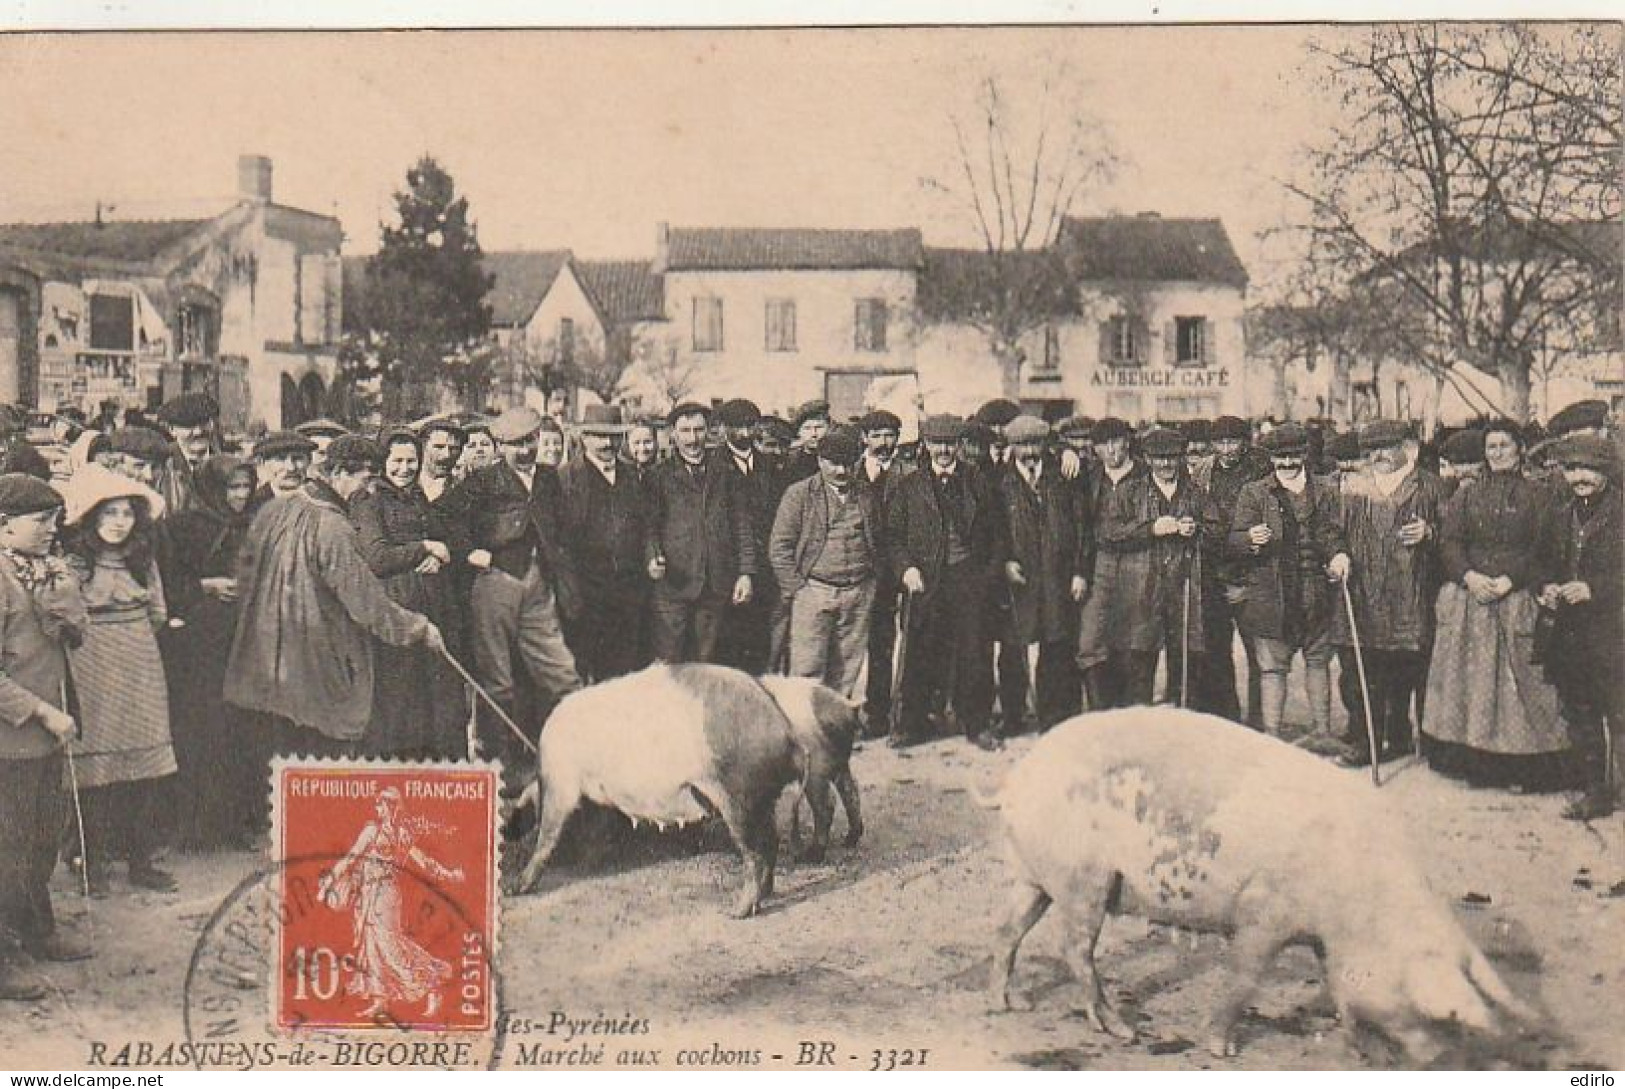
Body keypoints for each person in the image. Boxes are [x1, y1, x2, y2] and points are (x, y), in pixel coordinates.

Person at [226, 435, 445, 825]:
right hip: (320, 651)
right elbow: (365, 602)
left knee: (297, 746)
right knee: (330, 746)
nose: (369, 489)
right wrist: (417, 628)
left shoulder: (290, 507)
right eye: (365, 478)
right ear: (340, 474)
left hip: (281, 647)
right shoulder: (332, 527)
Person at [1423, 420, 1567, 785]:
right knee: (1472, 684)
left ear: (1519, 449)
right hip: (1472, 600)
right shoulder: (1467, 495)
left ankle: (1524, 765)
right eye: (1491, 447)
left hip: (1516, 598)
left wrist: (1509, 580)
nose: (1498, 452)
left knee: (1521, 684)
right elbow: (1450, 543)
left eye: (1504, 445)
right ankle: (1476, 762)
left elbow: (1545, 550)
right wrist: (1469, 577)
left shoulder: (1540, 495)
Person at [59, 465, 176, 894]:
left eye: (126, 513)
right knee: (95, 768)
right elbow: (62, 617)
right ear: (91, 518)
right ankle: (89, 860)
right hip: (89, 661)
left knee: (144, 764)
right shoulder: (73, 563)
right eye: (109, 514)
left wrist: (134, 636)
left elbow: (158, 612)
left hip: (140, 660)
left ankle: (140, 860)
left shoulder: (143, 561)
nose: (118, 522)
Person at [441, 407, 581, 763]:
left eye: (530, 441)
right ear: (500, 446)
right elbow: (443, 516)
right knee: (496, 678)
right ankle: (496, 761)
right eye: (515, 444)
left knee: (561, 671)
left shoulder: (549, 478)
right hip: (495, 583)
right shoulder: (483, 481)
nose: (525, 450)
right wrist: (469, 552)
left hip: (539, 583)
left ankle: (568, 752)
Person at [0, 474, 91, 999]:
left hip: (44, 736)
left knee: (39, 840)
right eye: (41, 520)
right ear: (5, 525)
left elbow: (68, 639)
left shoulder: (42, 569)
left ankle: (38, 929)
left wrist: (64, 607)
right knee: (6, 848)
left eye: (55, 519)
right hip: (11, 740)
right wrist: (41, 711)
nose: (52, 529)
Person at [1330, 420, 1449, 765]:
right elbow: (1331, 532)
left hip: (1411, 596)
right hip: (1362, 593)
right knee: (1360, 675)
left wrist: (1431, 533)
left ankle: (1401, 736)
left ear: (1406, 448)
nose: (1378, 456)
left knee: (1406, 672)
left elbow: (1455, 539)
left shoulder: (1431, 488)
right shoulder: (1352, 486)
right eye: (1371, 450)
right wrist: (1337, 553)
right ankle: (1366, 743)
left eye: (1386, 447)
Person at [887, 414, 1009, 751]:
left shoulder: (978, 483)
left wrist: (987, 576)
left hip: (969, 579)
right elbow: (893, 538)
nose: (944, 450)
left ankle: (977, 723)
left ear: (960, 446)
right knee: (920, 651)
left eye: (950, 444)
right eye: (937, 443)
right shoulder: (909, 487)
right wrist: (906, 569)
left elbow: (998, 536)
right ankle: (912, 724)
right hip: (926, 581)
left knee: (975, 652)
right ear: (926, 445)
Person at [161, 455, 260, 849]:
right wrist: (207, 585)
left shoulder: (252, 524)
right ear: (211, 490)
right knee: (203, 731)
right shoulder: (182, 527)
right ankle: (195, 828)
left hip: (242, 636)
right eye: (231, 488)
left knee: (239, 730)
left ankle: (232, 824)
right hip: (199, 644)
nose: (240, 495)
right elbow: (167, 585)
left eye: (244, 487)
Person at [350, 430, 467, 759]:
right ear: (383, 463)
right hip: (396, 608)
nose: (404, 468)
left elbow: (445, 541)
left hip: (434, 606)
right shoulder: (368, 500)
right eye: (397, 461)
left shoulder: (417, 497)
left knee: (440, 696)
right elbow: (377, 557)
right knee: (401, 697)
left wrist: (436, 554)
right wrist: (423, 549)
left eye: (411, 461)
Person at [1229, 424, 1350, 738]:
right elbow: (1235, 540)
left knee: (1318, 662)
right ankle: (1272, 735)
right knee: (1272, 668)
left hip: (1316, 591)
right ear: (1270, 458)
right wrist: (1250, 539)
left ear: (1304, 455)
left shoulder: (1326, 490)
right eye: (1280, 458)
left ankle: (1322, 732)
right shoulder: (1253, 492)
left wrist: (1338, 555)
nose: (1286, 464)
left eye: (1293, 456)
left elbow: (1334, 533)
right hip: (1271, 592)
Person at [1088, 427, 1209, 709]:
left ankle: (1181, 717)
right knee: (1139, 657)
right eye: (1159, 458)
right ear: (1148, 458)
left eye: (1172, 457)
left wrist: (1196, 529)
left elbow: (1215, 530)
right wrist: (1151, 528)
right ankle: (1138, 720)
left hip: (1184, 585)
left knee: (1185, 656)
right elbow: (1109, 532)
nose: (1166, 464)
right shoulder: (1131, 491)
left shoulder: (1194, 493)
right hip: (1142, 586)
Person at [318, 787, 463, 1021]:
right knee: (372, 947)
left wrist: (449, 875)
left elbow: (424, 862)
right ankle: (380, 1001)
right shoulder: (373, 831)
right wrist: (331, 881)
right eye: (377, 805)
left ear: (392, 807)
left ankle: (431, 984)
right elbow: (351, 858)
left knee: (390, 946)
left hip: (386, 895)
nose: (377, 809)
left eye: (381, 805)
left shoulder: (401, 834)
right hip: (368, 894)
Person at [1539, 434, 1624, 819]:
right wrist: (1546, 588)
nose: (1579, 477)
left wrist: (1593, 588)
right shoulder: (1558, 514)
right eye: (1571, 469)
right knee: (1581, 714)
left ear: (1607, 471)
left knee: (1619, 713)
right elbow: (1540, 563)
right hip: (1571, 636)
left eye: (1588, 468)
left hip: (1616, 633)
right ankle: (1595, 791)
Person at [642, 403, 757, 664]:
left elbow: (742, 526)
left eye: (698, 430)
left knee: (706, 663)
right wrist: (653, 557)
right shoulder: (657, 477)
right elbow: (649, 527)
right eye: (685, 431)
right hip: (673, 585)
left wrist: (746, 574)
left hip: (715, 585)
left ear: (709, 432)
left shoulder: (727, 474)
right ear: (673, 434)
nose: (692, 439)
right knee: (670, 664)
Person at [770, 426, 881, 697]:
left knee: (846, 671)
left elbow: (878, 541)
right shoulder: (799, 495)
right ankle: (804, 733)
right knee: (807, 670)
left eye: (848, 464)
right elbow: (779, 547)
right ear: (820, 461)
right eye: (834, 465)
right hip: (813, 591)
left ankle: (835, 733)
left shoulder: (865, 494)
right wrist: (799, 590)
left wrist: (870, 584)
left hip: (857, 592)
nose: (842, 472)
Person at [994, 416, 1087, 730]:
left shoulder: (1064, 478)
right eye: (1022, 445)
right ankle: (1012, 716)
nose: (1029, 452)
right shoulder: (1000, 482)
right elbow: (993, 531)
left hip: (1056, 577)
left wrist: (1079, 572)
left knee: (1056, 646)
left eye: (1035, 444)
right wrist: (1004, 562)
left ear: (1046, 445)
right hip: (1020, 578)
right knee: (1013, 649)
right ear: (1012, 447)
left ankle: (1053, 716)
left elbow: (1081, 528)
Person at [555, 405, 651, 683]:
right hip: (586, 595)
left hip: (627, 593)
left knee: (623, 671)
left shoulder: (632, 476)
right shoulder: (566, 479)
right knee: (584, 668)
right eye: (598, 436)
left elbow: (643, 528)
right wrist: (571, 591)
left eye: (613, 436)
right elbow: (560, 542)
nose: (607, 444)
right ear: (584, 437)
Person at [1198, 415, 1271, 724]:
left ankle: (1258, 721)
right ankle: (1224, 718)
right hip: (1214, 574)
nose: (1226, 449)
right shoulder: (1203, 472)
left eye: (1233, 442)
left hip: (1253, 575)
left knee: (1259, 655)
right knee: (1216, 653)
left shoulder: (1261, 472)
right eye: (1220, 443)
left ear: (1245, 442)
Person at [1073, 416, 1142, 709]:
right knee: (1090, 640)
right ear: (1095, 449)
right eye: (1104, 444)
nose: (1112, 450)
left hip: (1137, 561)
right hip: (1100, 561)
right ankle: (1099, 711)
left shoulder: (1145, 475)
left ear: (1127, 442)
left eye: (1117, 442)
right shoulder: (1089, 477)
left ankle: (1126, 710)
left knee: (1129, 639)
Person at [713, 399, 785, 674]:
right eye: (737, 428)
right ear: (724, 429)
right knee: (727, 640)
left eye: (750, 426)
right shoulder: (713, 463)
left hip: (765, 567)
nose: (744, 434)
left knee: (759, 639)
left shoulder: (770, 464)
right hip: (728, 567)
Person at [855, 409, 912, 735]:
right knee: (863, 643)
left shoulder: (909, 473)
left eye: (890, 435)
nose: (884, 442)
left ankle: (892, 712)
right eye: (876, 435)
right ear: (864, 439)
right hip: (862, 571)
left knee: (896, 642)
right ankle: (864, 710)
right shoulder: (852, 472)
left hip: (898, 571)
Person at [155, 391, 219, 514]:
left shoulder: (228, 464)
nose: (198, 431)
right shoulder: (160, 467)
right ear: (171, 429)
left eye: (203, 423)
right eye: (188, 425)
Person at [252, 430, 316, 503]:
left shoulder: (323, 498)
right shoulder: (252, 504)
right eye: (281, 459)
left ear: (309, 460)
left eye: (298, 458)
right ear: (263, 463)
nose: (291, 468)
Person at [416, 418, 464, 505]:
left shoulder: (462, 489)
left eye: (454, 448)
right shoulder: (404, 485)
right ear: (422, 447)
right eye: (439, 447)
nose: (447, 455)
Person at [784, 400, 830, 483]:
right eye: (807, 428)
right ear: (798, 432)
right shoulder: (789, 461)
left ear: (829, 428)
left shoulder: (836, 459)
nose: (814, 434)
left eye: (819, 427)